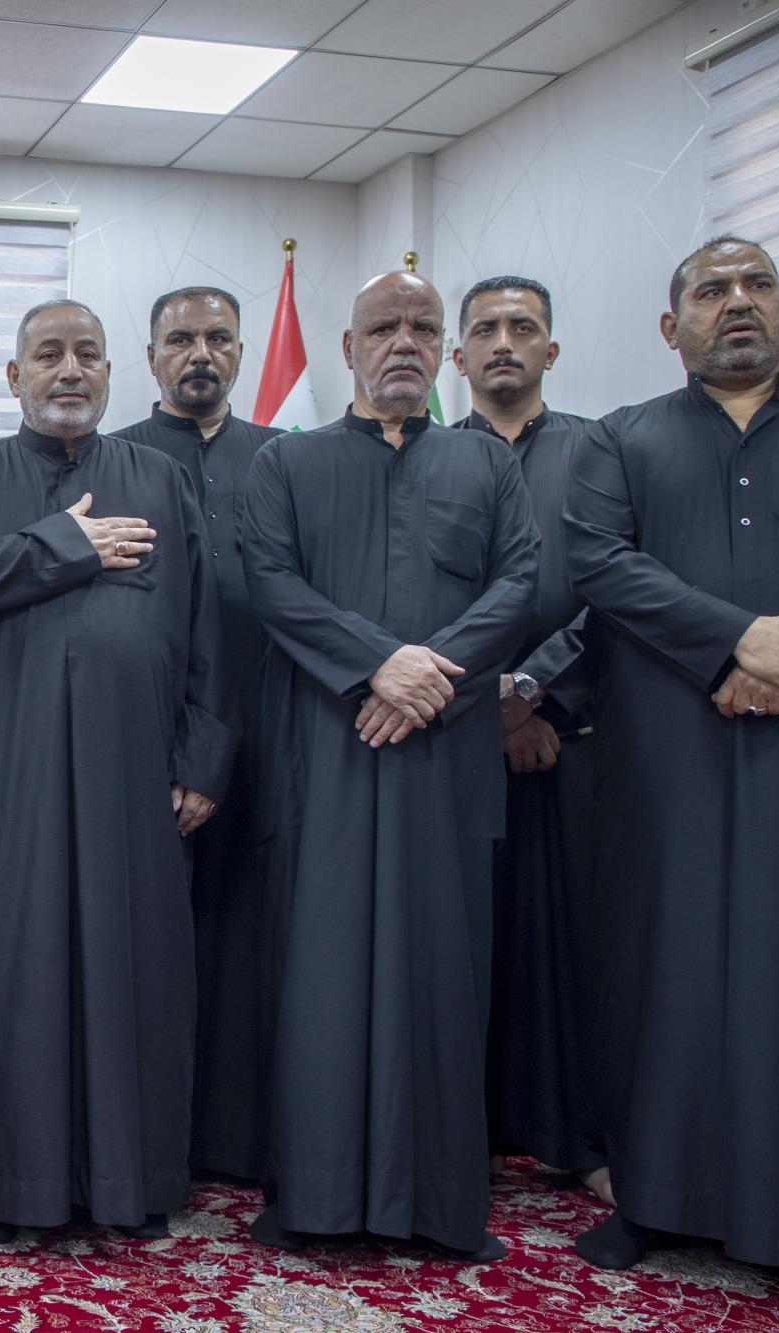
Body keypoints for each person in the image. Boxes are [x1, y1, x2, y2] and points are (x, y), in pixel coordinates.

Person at [0, 299, 234, 1243]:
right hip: (12, 774)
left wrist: (204, 759)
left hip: (138, 774)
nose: (70, 369)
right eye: (48, 354)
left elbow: (208, 628)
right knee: (19, 969)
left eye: (87, 353)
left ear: (112, 371)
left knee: (138, 969)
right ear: (15, 377)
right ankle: (17, 1188)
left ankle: (133, 1186)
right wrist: (60, 547)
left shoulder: (161, 478)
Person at [565, 236, 779, 1282]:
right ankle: (657, 1199)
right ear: (671, 327)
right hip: (667, 751)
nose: (736, 301)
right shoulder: (620, 437)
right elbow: (597, 561)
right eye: (711, 289)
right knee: (664, 962)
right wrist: (736, 642)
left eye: (756, 284)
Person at [240, 271, 538, 1263]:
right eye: (382, 327)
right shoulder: (286, 462)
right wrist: (377, 663)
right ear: (348, 347)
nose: (401, 342)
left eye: (420, 327)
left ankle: (436, 1206)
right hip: (327, 755)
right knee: (320, 979)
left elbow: (520, 581)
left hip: (445, 762)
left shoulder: (485, 463)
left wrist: (424, 677)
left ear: (443, 349)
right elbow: (270, 581)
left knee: (441, 978)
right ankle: (317, 1200)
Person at [110, 286, 280, 1186]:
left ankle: (241, 1138)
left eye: (218, 338)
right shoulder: (115, 460)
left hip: (273, 736)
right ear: (150, 358)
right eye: (180, 339)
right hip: (146, 743)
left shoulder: (285, 459)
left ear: (242, 353)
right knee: (151, 944)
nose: (200, 354)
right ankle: (152, 1136)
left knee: (252, 938)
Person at [450, 276, 608, 1202]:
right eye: (485, 329)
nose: (503, 341)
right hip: (453, 736)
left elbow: (620, 585)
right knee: (463, 940)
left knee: (573, 947)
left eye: (523, 327)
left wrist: (536, 694)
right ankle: (462, 1127)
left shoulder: (601, 452)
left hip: (569, 734)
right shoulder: (430, 457)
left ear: (552, 348)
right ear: (457, 355)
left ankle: (578, 1134)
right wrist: (488, 703)